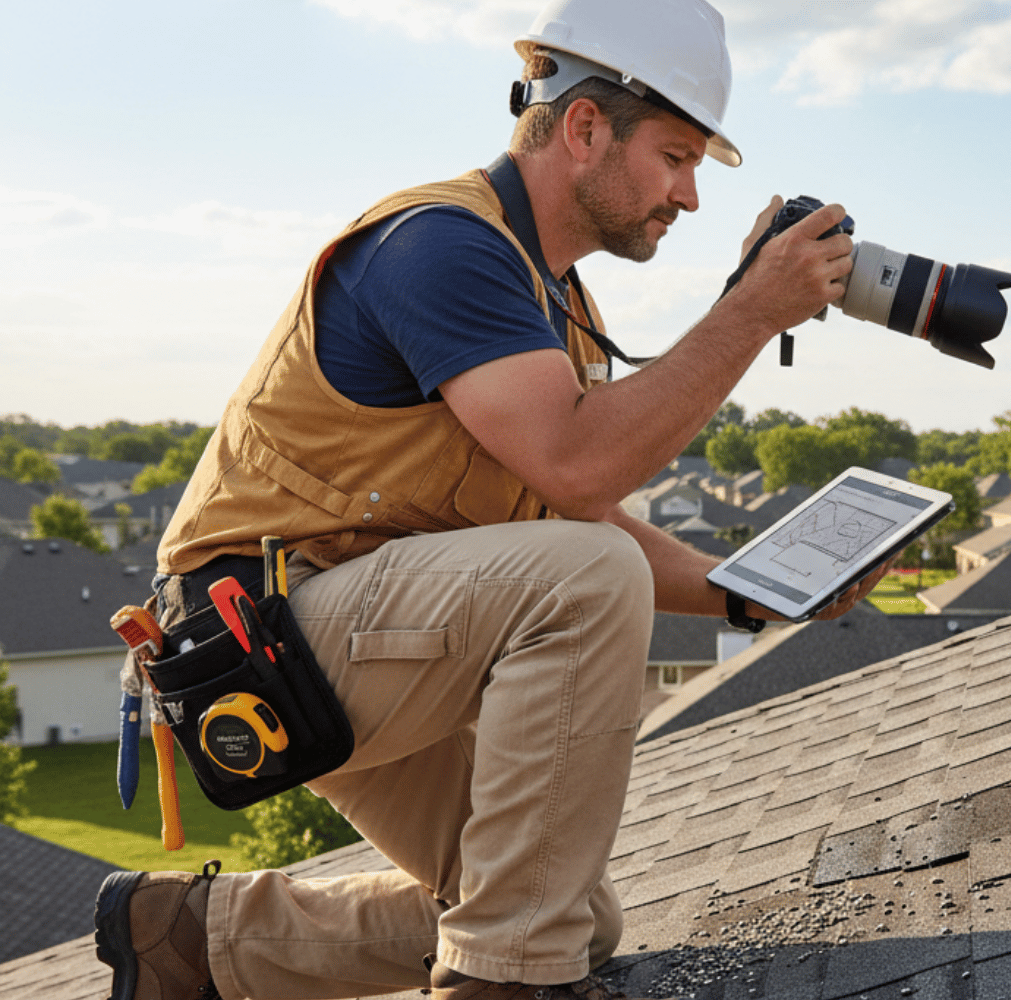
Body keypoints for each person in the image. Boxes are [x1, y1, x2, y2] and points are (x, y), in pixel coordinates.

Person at [92, 1, 880, 998]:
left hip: (356, 637)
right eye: (676, 157)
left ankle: (191, 939)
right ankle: (500, 987)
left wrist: (747, 591)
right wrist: (752, 313)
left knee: (571, 915)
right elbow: (580, 476)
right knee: (529, 920)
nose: (688, 197)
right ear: (586, 128)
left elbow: (563, 518)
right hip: (259, 642)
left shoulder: (552, 301)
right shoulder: (442, 247)